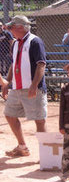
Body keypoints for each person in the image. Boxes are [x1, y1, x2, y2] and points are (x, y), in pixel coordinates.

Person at [2, 15, 47, 157]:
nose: (9, 30)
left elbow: (41, 64)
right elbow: (13, 64)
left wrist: (34, 85)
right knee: (9, 115)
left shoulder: (35, 41)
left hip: (32, 88)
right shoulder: (15, 43)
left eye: (11, 27)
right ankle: (22, 146)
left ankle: (45, 154)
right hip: (17, 87)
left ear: (20, 27)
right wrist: (7, 82)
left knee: (39, 120)